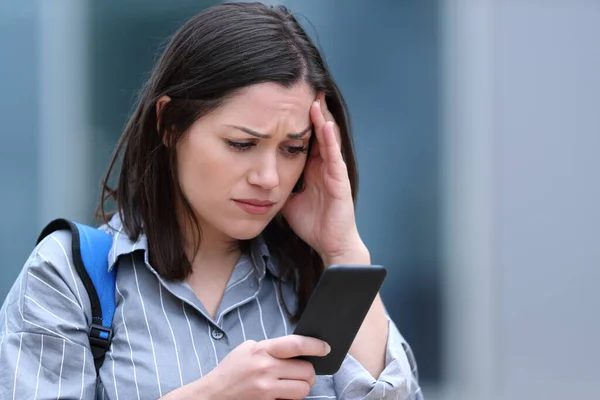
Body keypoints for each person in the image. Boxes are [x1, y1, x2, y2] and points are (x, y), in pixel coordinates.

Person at [0, 2, 423, 399]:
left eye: (293, 149)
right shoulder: (69, 278)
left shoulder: (309, 285)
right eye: (241, 144)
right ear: (168, 124)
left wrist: (343, 248)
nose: (268, 178)